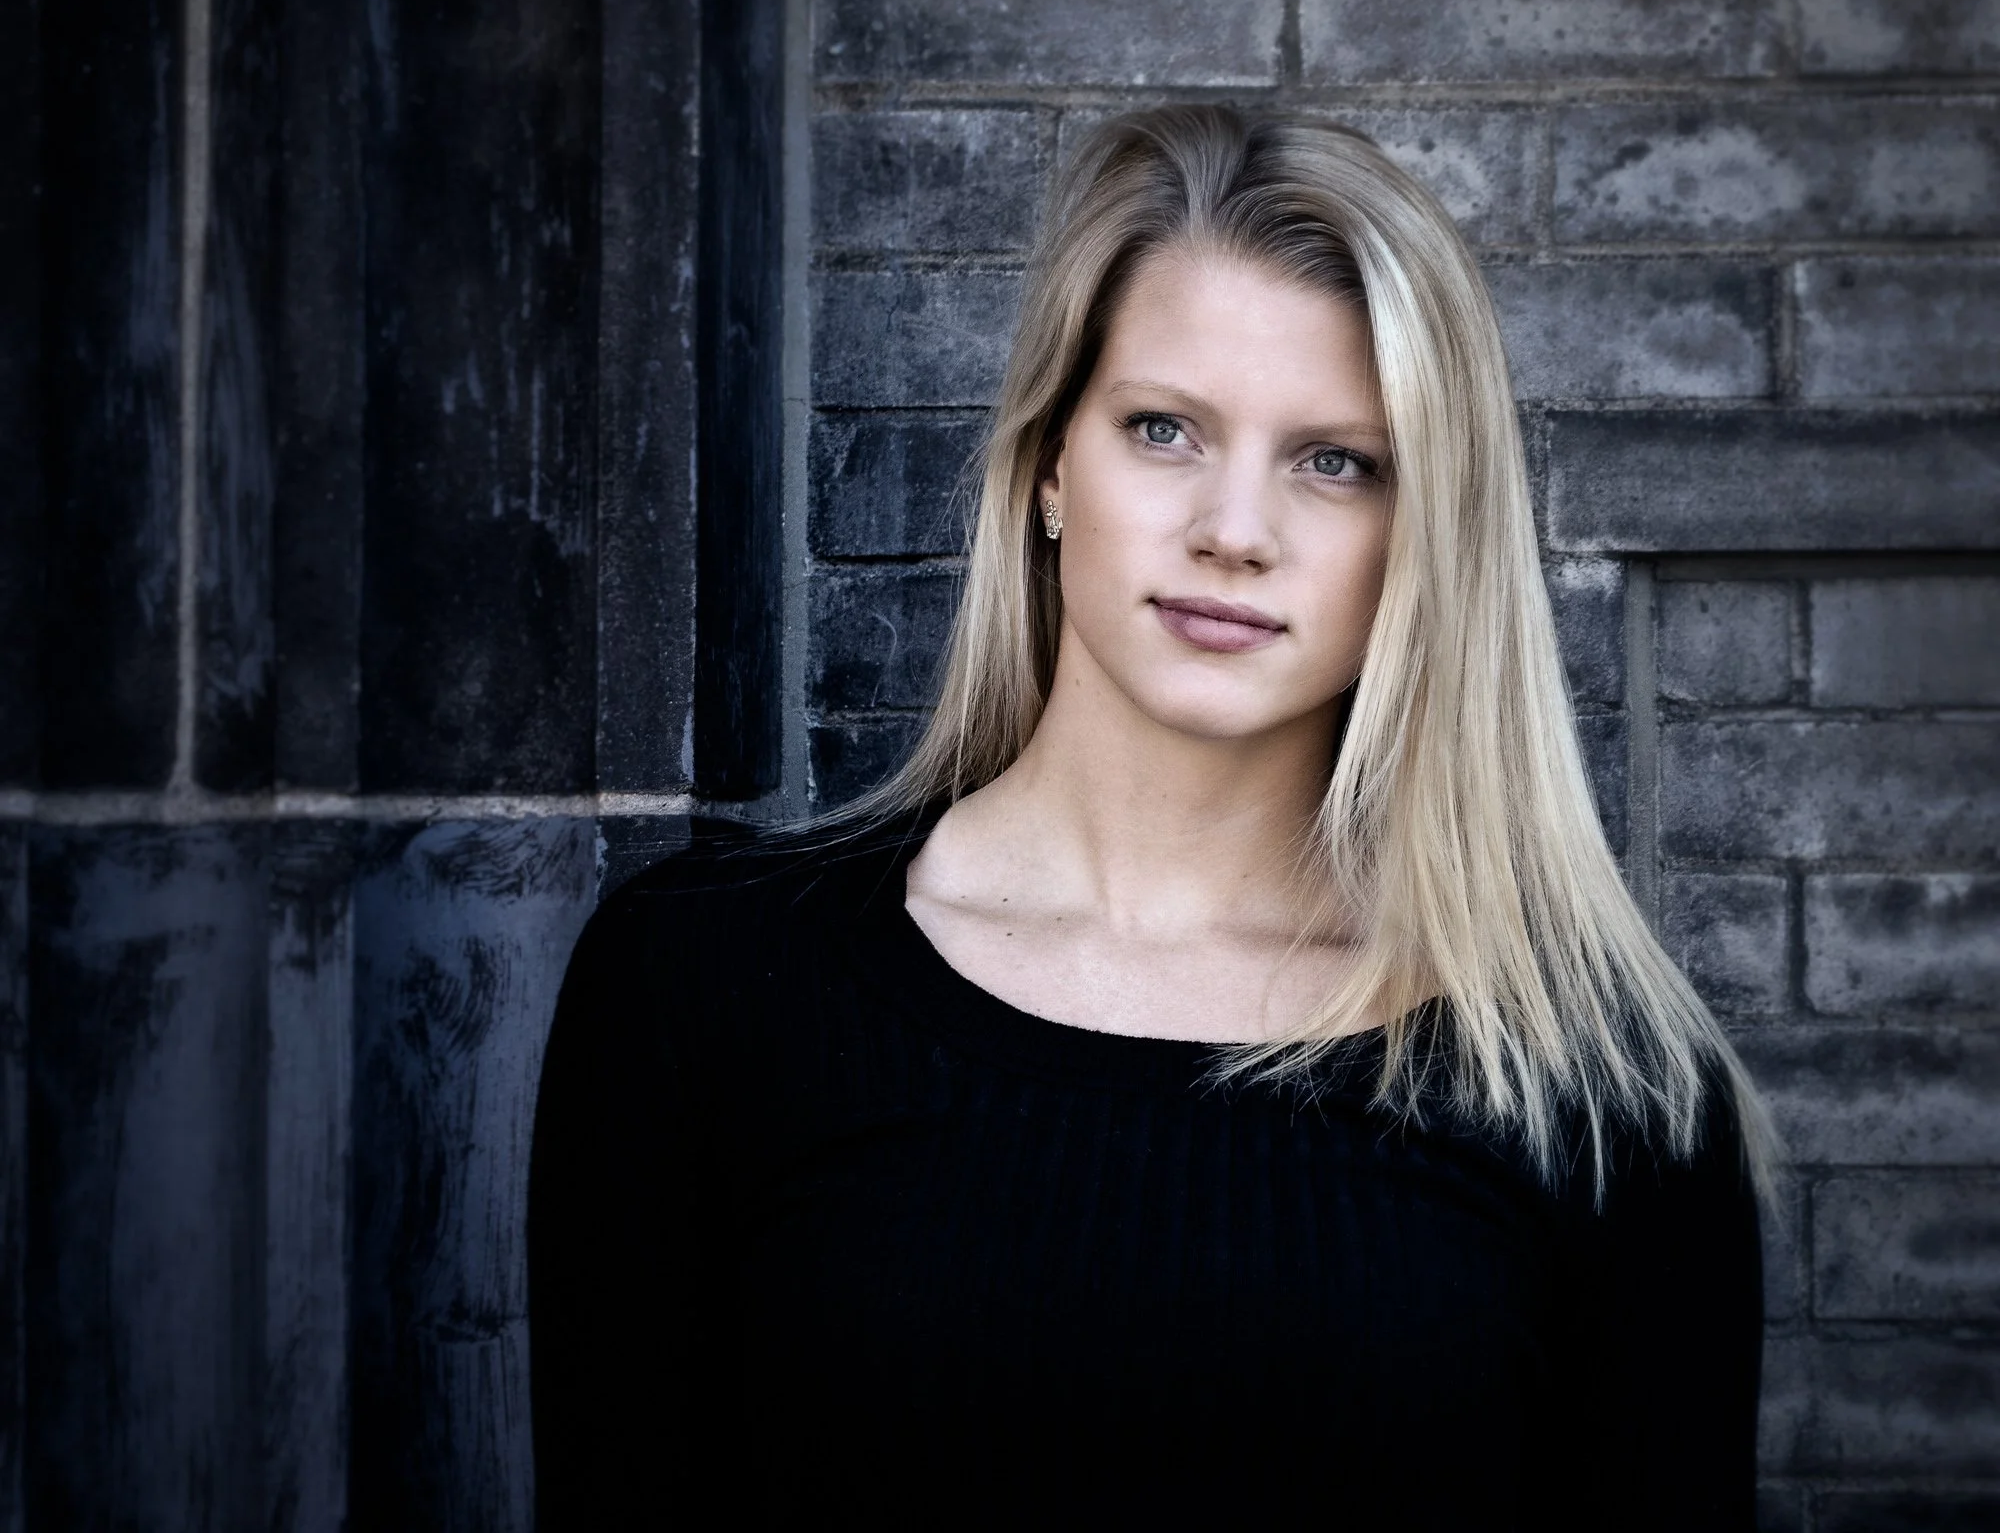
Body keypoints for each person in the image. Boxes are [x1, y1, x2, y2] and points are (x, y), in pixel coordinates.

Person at [528, 105, 1772, 1527]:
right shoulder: (701, 986)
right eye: (1164, 428)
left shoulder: (1605, 1093)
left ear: (1424, 536)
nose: (1234, 528)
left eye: (1334, 461)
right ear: (1052, 466)